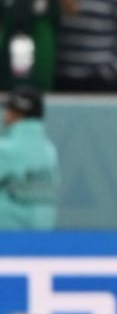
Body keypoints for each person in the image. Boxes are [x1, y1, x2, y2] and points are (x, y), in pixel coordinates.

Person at [0, 86, 58, 230]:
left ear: (18, 113)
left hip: (7, 242)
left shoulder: (5, 150)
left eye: (9, 109)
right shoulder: (50, 152)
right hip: (41, 241)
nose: (5, 114)